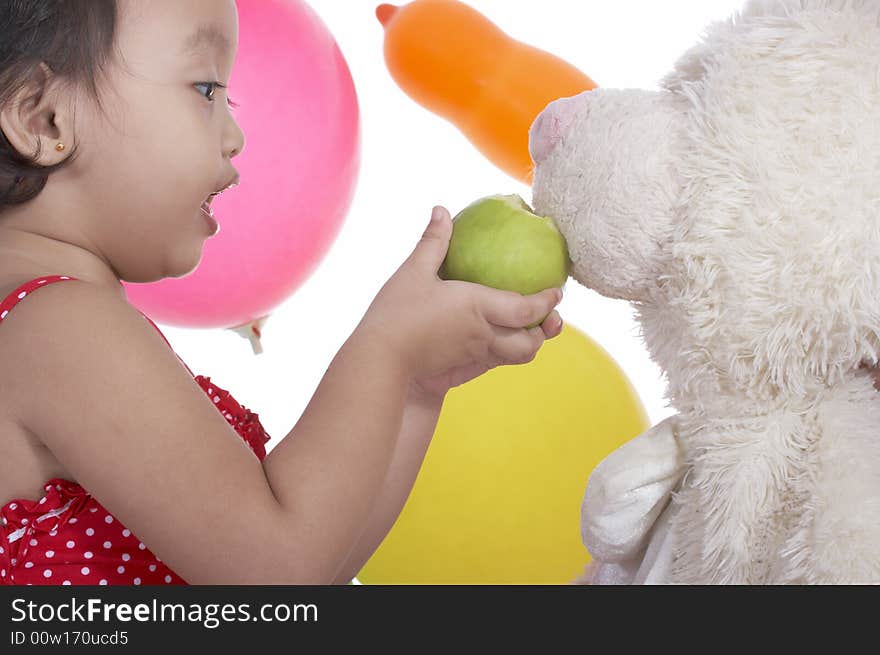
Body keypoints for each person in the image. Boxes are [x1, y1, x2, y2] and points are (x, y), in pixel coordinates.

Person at [0, 0, 564, 585]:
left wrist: (417, 388)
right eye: (205, 88)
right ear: (45, 120)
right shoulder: (56, 327)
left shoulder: (53, 324)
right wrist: (385, 350)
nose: (236, 135)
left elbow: (317, 567)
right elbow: (277, 573)